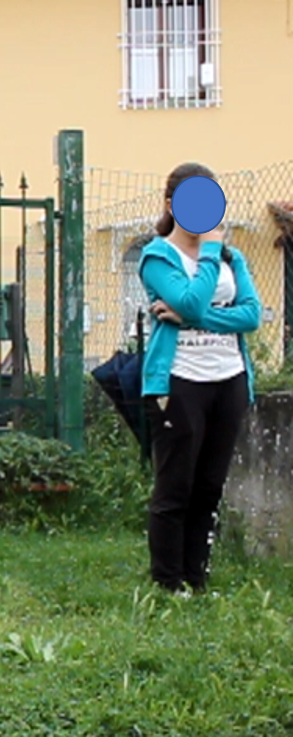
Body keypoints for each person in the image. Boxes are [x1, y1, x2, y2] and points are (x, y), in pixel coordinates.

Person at [138, 162, 262, 596]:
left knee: (209, 485)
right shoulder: (157, 257)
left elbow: (251, 315)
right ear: (171, 205)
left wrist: (196, 314)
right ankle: (167, 583)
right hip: (178, 381)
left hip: (229, 379)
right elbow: (188, 302)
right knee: (176, 485)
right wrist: (208, 254)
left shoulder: (234, 257)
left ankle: (197, 577)